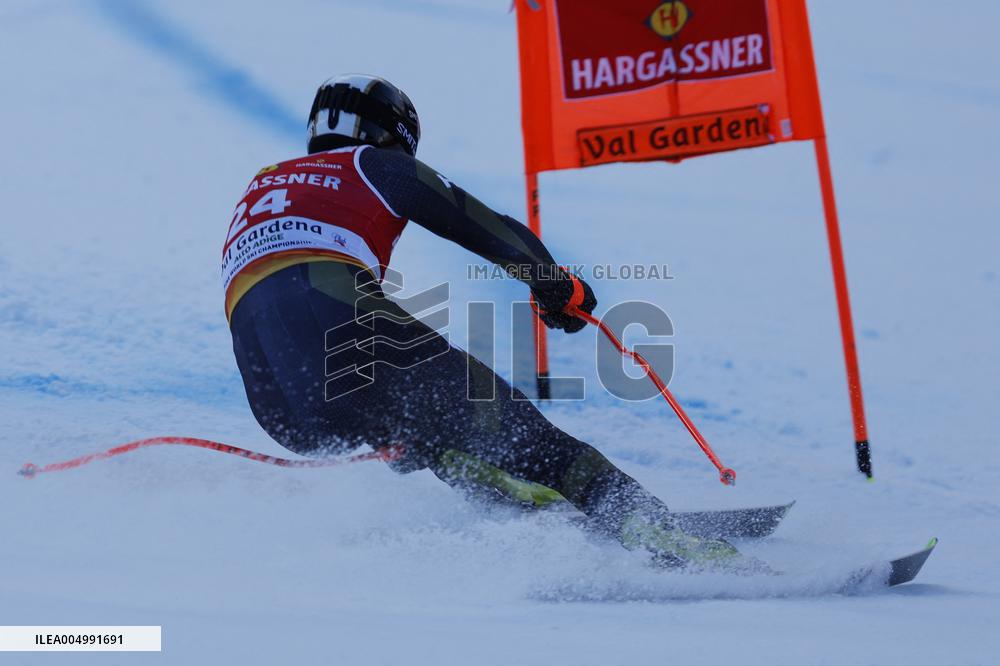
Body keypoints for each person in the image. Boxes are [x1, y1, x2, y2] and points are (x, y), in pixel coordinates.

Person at [223, 74, 741, 569]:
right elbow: (480, 224)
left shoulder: (263, 183)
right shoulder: (371, 164)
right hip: (338, 316)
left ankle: (522, 521)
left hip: (275, 395)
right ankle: (650, 528)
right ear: (393, 134)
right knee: (523, 435)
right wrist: (555, 284)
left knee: (432, 434)